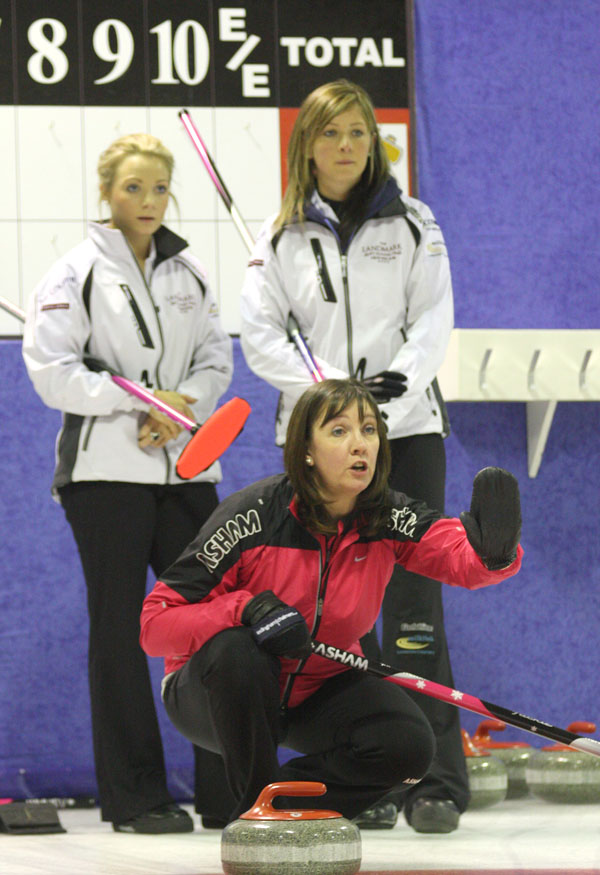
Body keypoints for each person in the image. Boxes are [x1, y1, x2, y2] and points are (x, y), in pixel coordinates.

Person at [140, 378, 522, 827]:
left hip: (317, 689)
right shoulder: (252, 516)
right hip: (216, 694)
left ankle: (277, 807)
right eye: (339, 431)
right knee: (238, 651)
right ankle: (258, 819)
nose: (360, 444)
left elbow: (455, 555)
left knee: (408, 745)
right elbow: (154, 625)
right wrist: (243, 609)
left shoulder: (384, 515)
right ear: (306, 449)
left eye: (369, 430)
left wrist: (495, 554)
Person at [239, 78, 464, 832]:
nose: (346, 147)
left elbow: (433, 316)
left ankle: (435, 777)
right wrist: (326, 403)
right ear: (308, 145)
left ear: (376, 143)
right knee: (333, 612)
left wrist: (375, 412)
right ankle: (367, 777)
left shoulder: (414, 222)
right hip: (314, 448)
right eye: (331, 133)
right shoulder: (281, 237)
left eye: (359, 134)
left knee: (411, 613)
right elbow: (262, 333)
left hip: (404, 432)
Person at [22, 133, 233, 833]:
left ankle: (225, 787)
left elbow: (214, 359)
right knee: (119, 629)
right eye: (131, 188)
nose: (147, 201)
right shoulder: (74, 273)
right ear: (106, 193)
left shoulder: (191, 273)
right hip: (105, 474)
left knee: (213, 619)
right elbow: (53, 372)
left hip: (187, 466)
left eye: (159, 189)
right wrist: (138, 402)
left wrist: (182, 406)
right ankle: (137, 795)